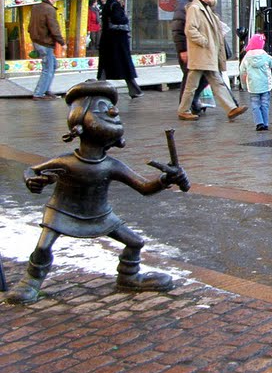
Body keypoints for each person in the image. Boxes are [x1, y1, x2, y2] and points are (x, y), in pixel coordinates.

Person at [5, 79, 189, 305]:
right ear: (78, 121)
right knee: (43, 246)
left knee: (135, 242)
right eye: (102, 109)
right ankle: (30, 281)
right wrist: (32, 179)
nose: (113, 111)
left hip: (101, 215)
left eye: (113, 110)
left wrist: (165, 179)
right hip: (61, 213)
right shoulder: (67, 161)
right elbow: (32, 170)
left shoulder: (111, 165)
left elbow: (143, 187)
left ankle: (129, 277)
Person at [176, 0, 248, 122]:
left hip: (207, 54)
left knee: (216, 82)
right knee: (192, 85)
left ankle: (231, 108)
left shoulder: (206, 8)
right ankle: (183, 110)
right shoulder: (195, 8)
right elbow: (190, 30)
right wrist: (205, 42)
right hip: (201, 53)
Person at [238, 33, 272, 132]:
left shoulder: (246, 58)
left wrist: (244, 85)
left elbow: (242, 72)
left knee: (255, 105)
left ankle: (259, 123)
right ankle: (266, 123)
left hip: (253, 86)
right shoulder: (265, 56)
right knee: (265, 104)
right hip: (265, 85)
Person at [97, 0, 143, 99]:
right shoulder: (115, 5)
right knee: (125, 65)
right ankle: (134, 90)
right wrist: (125, 19)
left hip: (108, 40)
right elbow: (118, 19)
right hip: (117, 41)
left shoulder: (108, 4)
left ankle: (99, 88)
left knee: (105, 66)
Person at [172, 0, 210, 116]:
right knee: (190, 79)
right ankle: (185, 106)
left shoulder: (200, 5)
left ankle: (191, 103)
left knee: (203, 78)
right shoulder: (187, 6)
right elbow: (179, 29)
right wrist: (182, 49)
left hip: (199, 50)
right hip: (191, 49)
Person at [27, 0, 65, 101]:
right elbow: (54, 27)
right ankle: (39, 93)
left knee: (52, 65)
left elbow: (30, 25)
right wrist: (61, 42)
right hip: (45, 42)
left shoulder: (36, 7)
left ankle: (46, 89)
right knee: (47, 68)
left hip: (37, 40)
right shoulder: (49, 10)